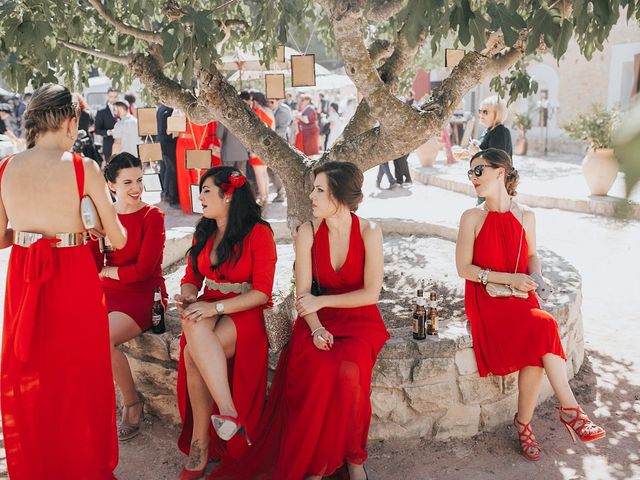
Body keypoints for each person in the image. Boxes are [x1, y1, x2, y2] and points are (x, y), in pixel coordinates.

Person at [210, 161, 390, 480]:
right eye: (313, 188)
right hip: (316, 321)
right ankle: (315, 463)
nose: (312, 196)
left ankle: (354, 458)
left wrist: (322, 301)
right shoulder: (306, 232)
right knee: (319, 370)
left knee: (350, 370)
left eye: (320, 190)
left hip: (360, 321)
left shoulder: (370, 231)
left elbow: (370, 294)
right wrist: (317, 327)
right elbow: (303, 294)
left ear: (339, 196)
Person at [0, 83, 127, 478]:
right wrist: (87, 225)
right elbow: (119, 237)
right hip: (71, 276)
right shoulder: (81, 167)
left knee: (32, 372)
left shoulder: (5, 168)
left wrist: (29, 231)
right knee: (79, 375)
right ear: (70, 120)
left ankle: (41, 466)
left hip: (25, 275)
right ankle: (82, 465)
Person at [455, 148, 606, 462]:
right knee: (545, 325)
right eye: (470, 172)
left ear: (500, 172)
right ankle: (569, 411)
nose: (473, 178)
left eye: (478, 170)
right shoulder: (471, 217)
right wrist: (511, 279)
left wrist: (537, 275)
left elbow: (532, 255)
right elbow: (464, 269)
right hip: (487, 299)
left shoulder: (527, 216)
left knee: (538, 346)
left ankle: (525, 423)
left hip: (522, 296)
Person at [174, 166, 277, 479]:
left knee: (194, 354)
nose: (201, 196)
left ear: (228, 195)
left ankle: (201, 444)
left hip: (245, 308)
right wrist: (189, 296)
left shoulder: (259, 233)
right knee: (193, 324)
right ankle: (229, 414)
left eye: (206, 190)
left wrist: (215, 307)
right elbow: (191, 278)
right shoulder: (203, 230)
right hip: (209, 306)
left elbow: (262, 293)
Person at [90, 152, 167, 442]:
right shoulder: (101, 216)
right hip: (105, 293)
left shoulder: (153, 216)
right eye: (127, 182)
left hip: (143, 295)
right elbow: (93, 262)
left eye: (139, 180)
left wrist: (109, 273)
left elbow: (144, 270)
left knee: (101, 338)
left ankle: (132, 403)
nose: (136, 188)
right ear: (111, 186)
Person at [175, 115, 221, 214]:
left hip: (197, 144)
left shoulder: (200, 113)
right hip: (184, 144)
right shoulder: (179, 112)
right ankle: (189, 204)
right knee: (185, 175)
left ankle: (200, 204)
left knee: (199, 175)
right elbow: (171, 132)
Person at [248, 92, 274, 206]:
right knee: (264, 172)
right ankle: (266, 195)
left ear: (255, 101)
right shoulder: (269, 111)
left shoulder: (257, 112)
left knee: (259, 173)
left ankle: (263, 198)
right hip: (269, 145)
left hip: (257, 146)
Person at [157, 103, 179, 206]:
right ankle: (170, 195)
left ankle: (164, 193)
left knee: (164, 168)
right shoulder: (171, 110)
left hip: (161, 141)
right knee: (171, 169)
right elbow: (170, 130)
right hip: (168, 142)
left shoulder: (161, 108)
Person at [72, 92, 101, 164]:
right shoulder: (87, 114)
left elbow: (94, 126)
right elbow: (93, 126)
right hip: (83, 141)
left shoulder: (84, 114)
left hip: (79, 142)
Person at [95, 87, 119, 161]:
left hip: (123, 146)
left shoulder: (123, 109)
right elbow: (97, 130)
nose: (113, 99)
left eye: (115, 97)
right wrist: (108, 132)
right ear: (107, 97)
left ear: (118, 97)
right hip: (109, 146)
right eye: (111, 97)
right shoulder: (101, 111)